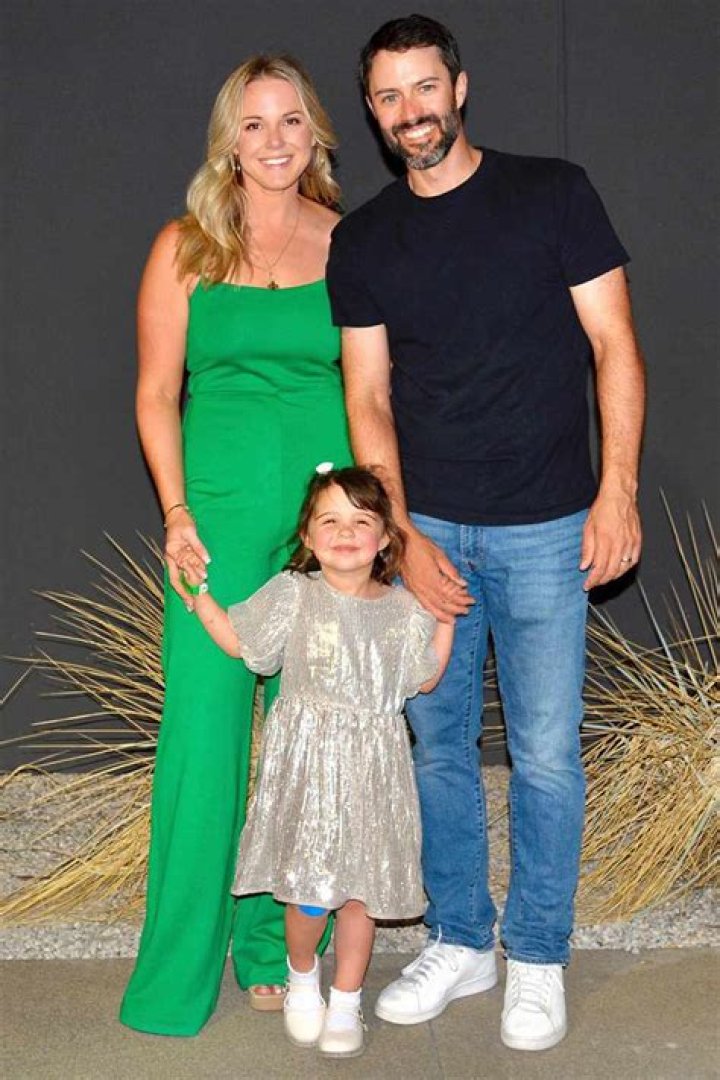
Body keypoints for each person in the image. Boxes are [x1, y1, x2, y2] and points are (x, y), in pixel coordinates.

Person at [327, 14, 645, 1052]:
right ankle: (463, 938)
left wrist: (617, 491)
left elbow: (614, 345)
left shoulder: (554, 193)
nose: (410, 111)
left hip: (550, 526)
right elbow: (368, 397)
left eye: (425, 87)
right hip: (430, 531)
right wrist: (401, 535)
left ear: (458, 88)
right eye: (389, 96)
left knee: (546, 755)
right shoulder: (365, 239)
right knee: (438, 750)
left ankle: (539, 952)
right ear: (372, 111)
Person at [120, 55, 352, 1037]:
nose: (273, 140)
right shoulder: (184, 247)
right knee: (204, 744)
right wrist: (175, 514)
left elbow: (372, 387)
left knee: (302, 744)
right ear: (229, 142)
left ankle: (269, 947)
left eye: (289, 120)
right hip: (212, 530)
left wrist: (371, 525)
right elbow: (153, 393)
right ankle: (176, 972)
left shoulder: (350, 243)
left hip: (324, 533)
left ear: (315, 134)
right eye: (252, 124)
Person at [180, 465, 454, 1057]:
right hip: (307, 771)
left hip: (373, 771)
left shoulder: (406, 610)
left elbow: (424, 677)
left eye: (361, 520)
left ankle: (347, 999)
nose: (345, 532)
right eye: (329, 521)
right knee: (308, 893)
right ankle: (303, 975)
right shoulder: (293, 593)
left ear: (385, 537)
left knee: (359, 896)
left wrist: (447, 616)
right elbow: (246, 645)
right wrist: (199, 599)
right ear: (307, 535)